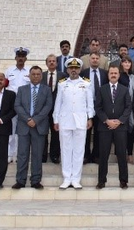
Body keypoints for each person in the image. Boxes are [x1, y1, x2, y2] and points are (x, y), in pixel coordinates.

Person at [53, 58, 95, 189]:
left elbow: (90, 103)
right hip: (65, 120)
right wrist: (56, 119)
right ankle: (66, 178)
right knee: (65, 150)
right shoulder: (62, 84)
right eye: (71, 68)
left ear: (80, 69)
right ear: (67, 69)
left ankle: (76, 178)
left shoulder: (86, 84)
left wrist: (90, 117)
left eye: (76, 68)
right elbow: (58, 103)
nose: (73, 70)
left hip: (81, 121)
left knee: (78, 150)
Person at [12, 66, 53, 189]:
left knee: (37, 154)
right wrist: (28, 119)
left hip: (39, 126)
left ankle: (35, 180)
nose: (35, 76)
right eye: (33, 74)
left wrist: (36, 119)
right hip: (24, 126)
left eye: (38, 74)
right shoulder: (21, 89)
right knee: (22, 154)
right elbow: (17, 105)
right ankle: (20, 180)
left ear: (41, 76)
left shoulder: (47, 90)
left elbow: (48, 106)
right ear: (29, 76)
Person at [95, 66, 131, 189]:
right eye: (111, 73)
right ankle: (101, 180)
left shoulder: (125, 90)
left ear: (119, 75)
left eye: (116, 73)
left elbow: (128, 107)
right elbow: (98, 108)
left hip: (120, 127)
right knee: (103, 155)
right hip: (105, 127)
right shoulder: (101, 89)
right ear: (108, 75)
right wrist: (106, 120)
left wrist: (120, 121)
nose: (114, 75)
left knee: (121, 154)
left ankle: (123, 180)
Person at [80, 52, 108, 164]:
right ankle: (86, 155)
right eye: (93, 58)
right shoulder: (83, 73)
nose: (95, 60)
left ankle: (96, 155)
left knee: (98, 132)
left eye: (97, 58)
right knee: (86, 132)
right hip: (86, 107)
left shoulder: (105, 74)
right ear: (89, 60)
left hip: (100, 107)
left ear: (100, 60)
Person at [5, 47, 31, 163]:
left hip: (25, 105)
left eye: (22, 56)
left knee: (22, 131)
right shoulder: (9, 71)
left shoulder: (29, 71)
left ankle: (20, 154)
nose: (20, 58)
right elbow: (5, 85)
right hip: (11, 103)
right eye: (19, 56)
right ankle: (10, 154)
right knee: (11, 129)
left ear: (25, 58)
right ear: (15, 58)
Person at [41, 54, 67, 164]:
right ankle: (42, 156)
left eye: (53, 61)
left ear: (57, 63)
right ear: (46, 63)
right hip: (43, 109)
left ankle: (54, 155)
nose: (52, 63)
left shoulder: (63, 75)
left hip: (58, 109)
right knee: (43, 133)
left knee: (56, 133)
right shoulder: (41, 75)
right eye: (49, 61)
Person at [118, 56, 134, 164]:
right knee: (121, 133)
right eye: (124, 62)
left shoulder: (133, 77)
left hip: (131, 109)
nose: (126, 64)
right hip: (121, 108)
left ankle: (130, 154)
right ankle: (121, 154)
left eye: (128, 62)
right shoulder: (119, 76)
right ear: (121, 64)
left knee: (131, 132)